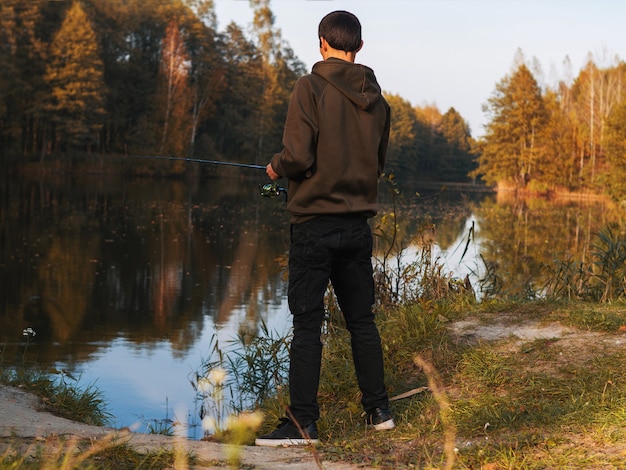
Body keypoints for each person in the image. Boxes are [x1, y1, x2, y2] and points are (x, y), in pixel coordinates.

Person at [255, 10, 394, 447]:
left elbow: (296, 156)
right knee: (362, 321)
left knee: (308, 325)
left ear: (322, 44)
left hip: (314, 226)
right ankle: (379, 411)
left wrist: (275, 168)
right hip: (357, 228)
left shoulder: (309, 87)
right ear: (359, 47)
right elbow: (378, 162)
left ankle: (302, 426)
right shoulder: (379, 100)